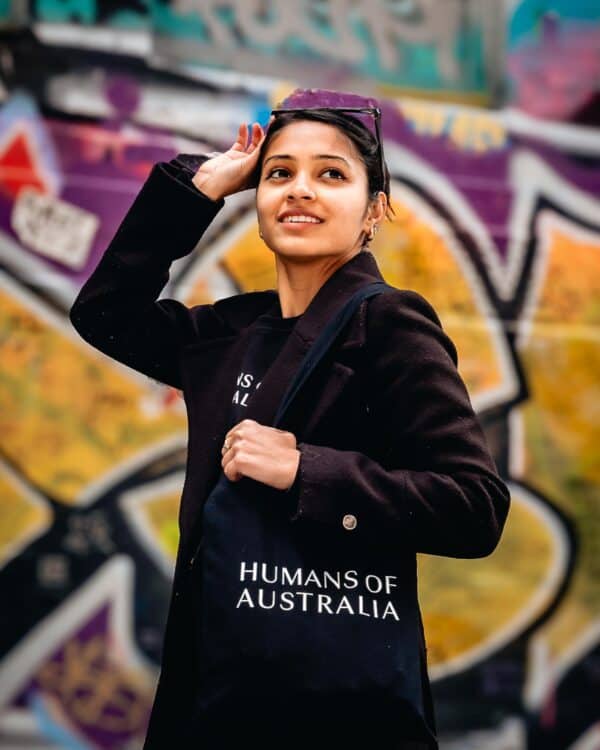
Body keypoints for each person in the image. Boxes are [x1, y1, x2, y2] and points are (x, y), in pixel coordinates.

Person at [69, 88, 511, 750]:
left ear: (375, 212)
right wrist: (200, 189)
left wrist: (308, 471)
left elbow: (475, 507)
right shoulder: (228, 331)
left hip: (336, 712)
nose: (300, 189)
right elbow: (105, 314)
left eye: (331, 173)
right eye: (280, 173)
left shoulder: (388, 323)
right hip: (214, 697)